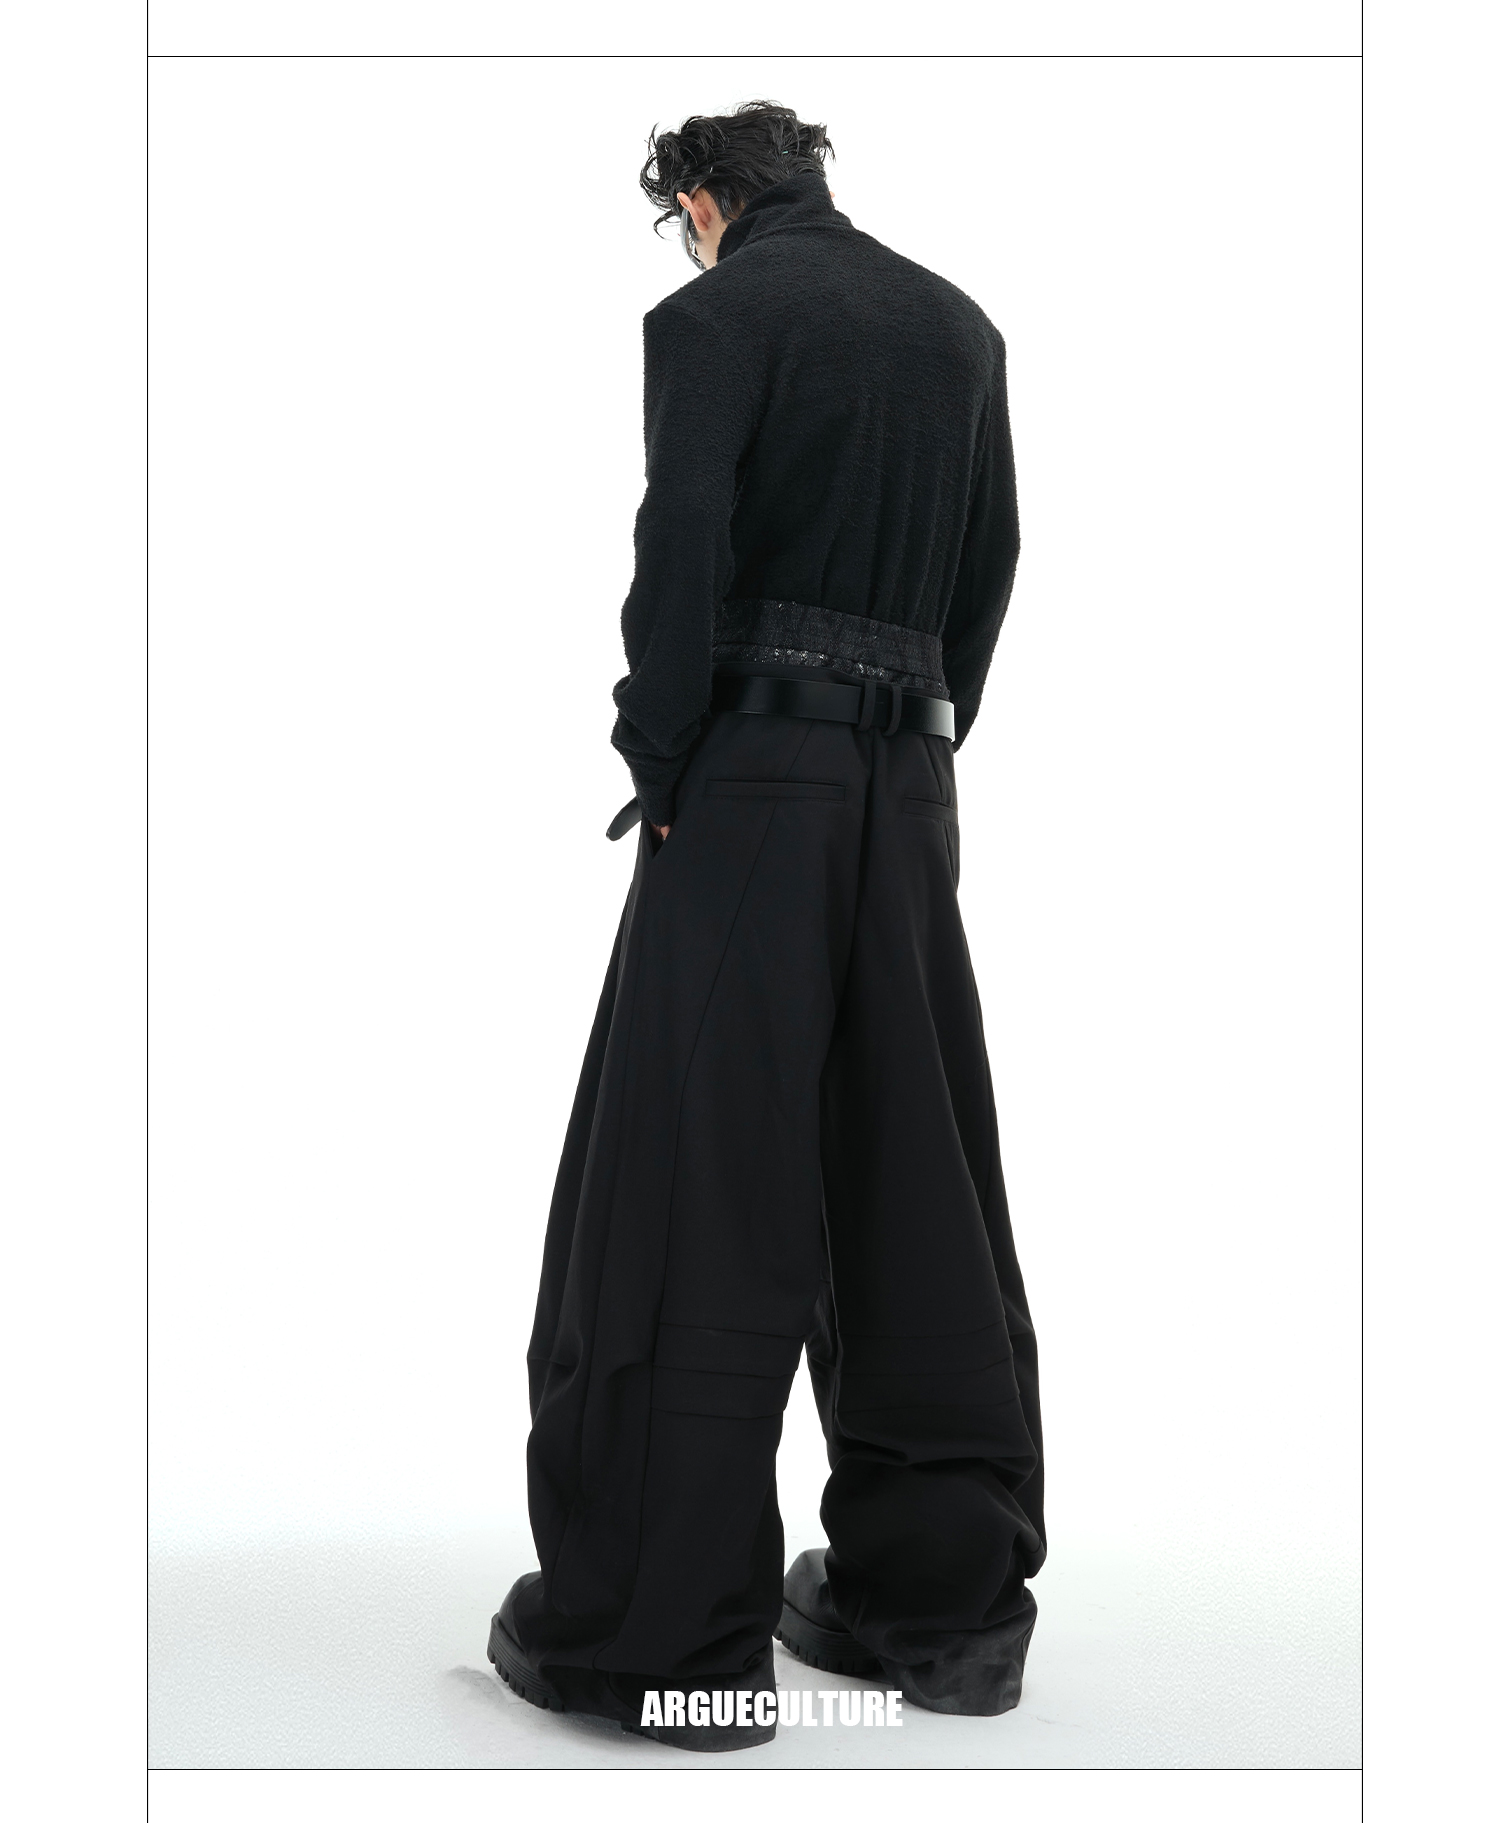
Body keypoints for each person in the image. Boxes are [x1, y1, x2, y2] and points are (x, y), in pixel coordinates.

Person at [487, 100, 1044, 1752]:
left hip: (750, 777)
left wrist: (663, 751)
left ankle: (664, 1645)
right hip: (910, 789)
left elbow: (684, 539)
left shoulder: (717, 319)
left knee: (687, 1185)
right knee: (918, 1177)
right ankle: (939, 1614)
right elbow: (993, 562)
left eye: (684, 219)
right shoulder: (959, 327)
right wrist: (919, 744)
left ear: (705, 199)